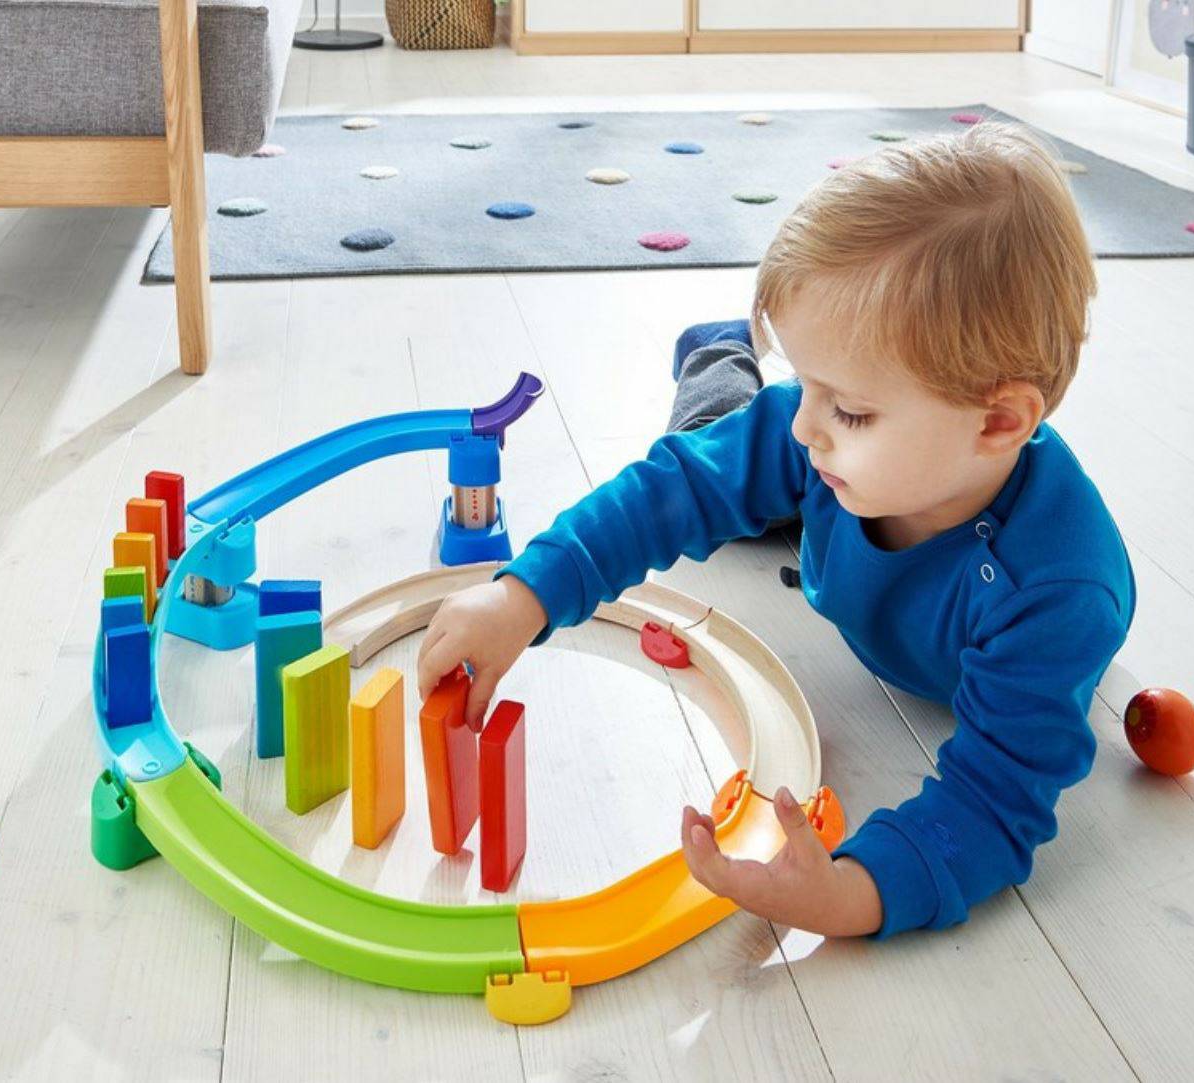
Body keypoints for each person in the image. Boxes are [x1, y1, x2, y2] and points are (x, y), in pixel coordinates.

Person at [415, 122, 1136, 938]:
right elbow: (674, 489)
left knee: (761, 452)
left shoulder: (1057, 598)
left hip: (866, 519)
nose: (808, 428)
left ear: (999, 420)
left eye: (852, 407)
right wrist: (527, 593)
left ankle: (729, 357)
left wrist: (852, 890)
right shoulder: (824, 438)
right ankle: (724, 354)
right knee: (727, 435)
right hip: (839, 497)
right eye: (812, 388)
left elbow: (989, 808)